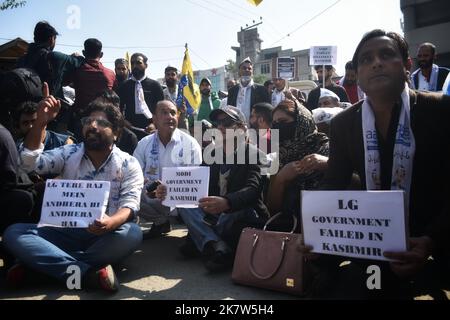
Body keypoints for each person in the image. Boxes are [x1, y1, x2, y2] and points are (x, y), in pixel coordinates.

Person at [318, 29, 450, 299]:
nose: (376, 62)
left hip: (438, 240)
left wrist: (430, 240)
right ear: (356, 74)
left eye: (386, 54)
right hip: (374, 245)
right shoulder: (343, 123)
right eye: (366, 59)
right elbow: (334, 183)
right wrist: (314, 232)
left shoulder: (441, 110)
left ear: (407, 66)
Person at [3, 85, 144, 292]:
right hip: (63, 234)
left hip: (104, 235)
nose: (92, 126)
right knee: (13, 233)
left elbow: (130, 205)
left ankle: (43, 269)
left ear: (116, 133)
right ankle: (87, 274)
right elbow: (28, 163)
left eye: (101, 122)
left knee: (132, 233)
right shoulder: (69, 153)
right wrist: (41, 122)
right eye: (88, 121)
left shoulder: (128, 163)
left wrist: (110, 222)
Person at [157, 106, 269, 272]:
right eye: (218, 123)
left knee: (232, 213)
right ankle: (216, 244)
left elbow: (252, 191)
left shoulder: (257, 154)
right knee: (183, 204)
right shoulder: (211, 154)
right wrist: (170, 190)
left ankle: (202, 240)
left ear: (242, 128)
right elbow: (194, 185)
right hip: (216, 213)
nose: (221, 127)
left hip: (242, 211)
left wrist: (227, 202)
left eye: (228, 122)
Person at [133, 100, 202, 238]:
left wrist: (172, 188)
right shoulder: (144, 144)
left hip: (181, 199)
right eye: (164, 113)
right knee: (131, 193)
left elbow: (196, 179)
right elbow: (135, 174)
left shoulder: (190, 143)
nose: (169, 116)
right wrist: (147, 185)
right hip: (153, 198)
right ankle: (161, 222)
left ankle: (193, 230)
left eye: (172, 113)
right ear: (154, 119)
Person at [266, 97, 329, 224]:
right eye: (275, 123)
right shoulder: (278, 157)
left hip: (328, 226)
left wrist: (328, 164)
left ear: (302, 121)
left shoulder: (327, 148)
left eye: (283, 121)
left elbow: (357, 184)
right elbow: (272, 210)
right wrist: (280, 179)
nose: (278, 127)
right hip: (291, 230)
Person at [118, 53, 164, 140]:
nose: (135, 66)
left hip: (151, 132)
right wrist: (123, 121)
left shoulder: (155, 85)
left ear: (146, 65)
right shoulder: (124, 86)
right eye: (132, 63)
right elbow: (117, 108)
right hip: (130, 131)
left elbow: (162, 109)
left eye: (138, 63)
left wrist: (155, 124)